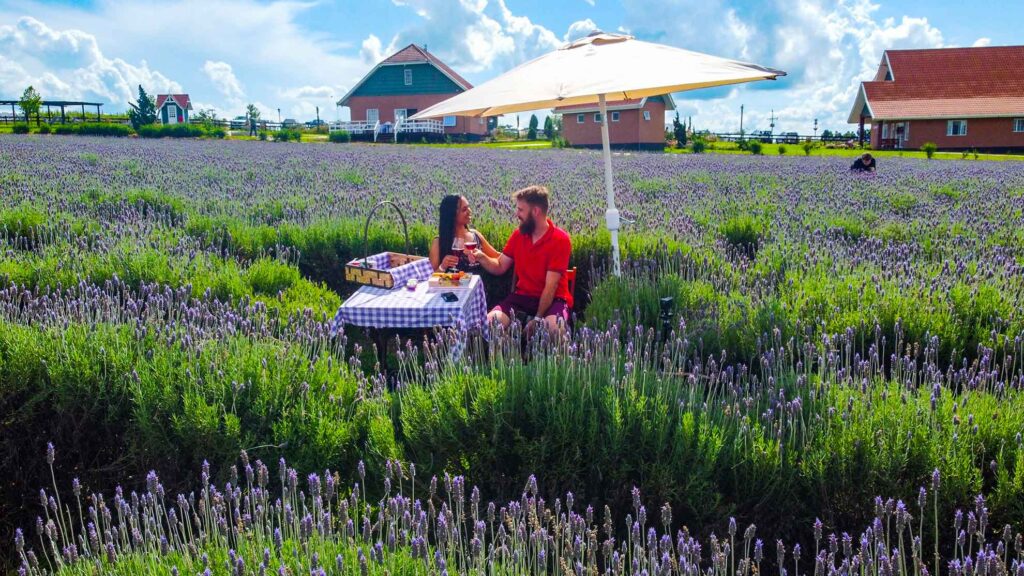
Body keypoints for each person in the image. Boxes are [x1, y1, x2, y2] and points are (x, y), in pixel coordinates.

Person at [472, 185, 572, 336]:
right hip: (522, 297)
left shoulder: (560, 240)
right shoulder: (519, 235)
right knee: (488, 324)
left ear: (535, 211)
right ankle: (503, 351)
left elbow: (550, 287)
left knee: (554, 330)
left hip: (554, 300)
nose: (516, 214)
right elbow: (500, 266)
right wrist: (481, 257)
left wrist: (537, 318)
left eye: (520, 210)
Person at [429, 195, 499, 272]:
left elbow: (497, 257)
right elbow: (431, 277)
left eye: (468, 207)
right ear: (452, 215)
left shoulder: (475, 235)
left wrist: (483, 258)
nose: (469, 211)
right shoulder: (438, 242)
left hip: (480, 280)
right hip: (452, 280)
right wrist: (442, 267)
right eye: (464, 209)